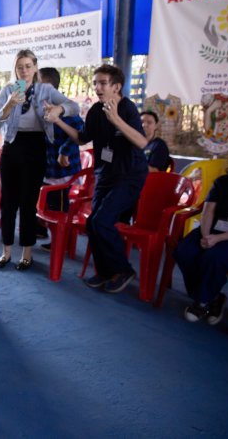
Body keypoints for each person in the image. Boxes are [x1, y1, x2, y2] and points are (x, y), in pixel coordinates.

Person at [47, 64, 148, 293]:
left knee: (102, 221)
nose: (98, 87)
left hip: (129, 175)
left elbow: (142, 142)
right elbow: (82, 139)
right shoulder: (95, 110)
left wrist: (116, 121)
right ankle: (105, 272)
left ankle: (123, 269)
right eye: (95, 83)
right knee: (93, 223)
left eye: (102, 83)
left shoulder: (127, 108)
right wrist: (59, 122)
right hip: (105, 173)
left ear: (117, 86)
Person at [0, 50, 80, 270]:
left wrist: (59, 109)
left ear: (35, 67)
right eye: (20, 66)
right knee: (8, 202)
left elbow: (74, 107)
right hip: (12, 145)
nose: (24, 71)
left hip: (36, 146)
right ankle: (6, 252)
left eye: (28, 66)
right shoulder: (8, 90)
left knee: (28, 203)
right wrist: (9, 105)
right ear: (15, 69)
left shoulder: (46, 90)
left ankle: (27, 253)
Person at [174, 148, 228, 324]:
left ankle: (201, 302)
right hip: (211, 229)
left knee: (214, 256)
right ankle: (215, 297)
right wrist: (206, 235)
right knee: (184, 251)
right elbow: (208, 210)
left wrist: (217, 240)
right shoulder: (223, 182)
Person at [36, 67, 84, 249]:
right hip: (48, 167)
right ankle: (46, 232)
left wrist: (64, 151)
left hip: (63, 169)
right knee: (46, 203)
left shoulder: (66, 107)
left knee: (59, 205)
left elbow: (80, 134)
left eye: (38, 83)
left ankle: (62, 241)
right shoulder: (39, 106)